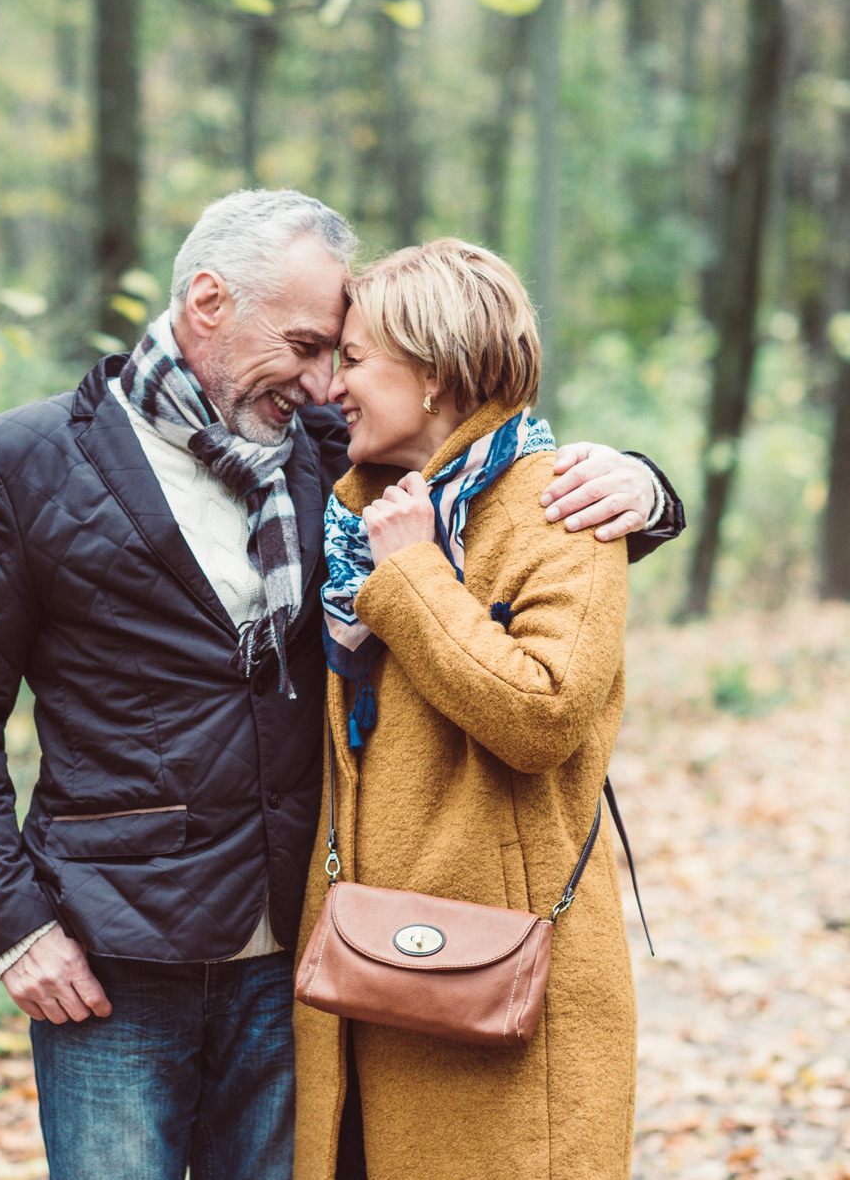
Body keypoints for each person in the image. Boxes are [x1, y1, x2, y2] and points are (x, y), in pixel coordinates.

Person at [0, 191, 679, 1180]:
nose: (320, 381)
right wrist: (12, 929)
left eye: (336, 355)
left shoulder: (324, 454)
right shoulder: (25, 465)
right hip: (110, 962)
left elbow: (489, 485)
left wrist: (645, 488)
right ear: (209, 301)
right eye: (307, 345)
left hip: (303, 959)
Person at [292, 238, 639, 1180]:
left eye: (355, 360)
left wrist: (412, 577)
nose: (332, 387)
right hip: (362, 987)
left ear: (436, 373)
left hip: (503, 1002)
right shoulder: (350, 511)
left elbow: (542, 716)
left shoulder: (561, 507)